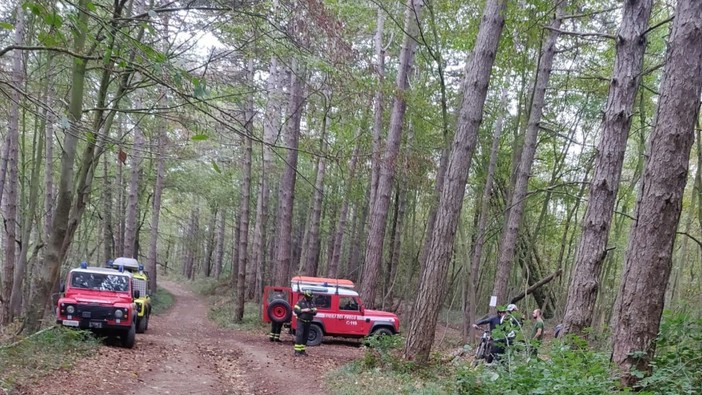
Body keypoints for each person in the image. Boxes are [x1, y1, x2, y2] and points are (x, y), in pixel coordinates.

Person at [293, 290, 317, 356]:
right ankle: (297, 351)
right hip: (301, 321)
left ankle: (302, 350)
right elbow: (296, 310)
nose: (310, 298)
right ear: (305, 296)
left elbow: (315, 311)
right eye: (309, 297)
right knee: (299, 335)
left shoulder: (312, 303)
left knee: (305, 337)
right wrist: (304, 310)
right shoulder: (300, 302)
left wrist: (311, 310)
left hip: (308, 322)